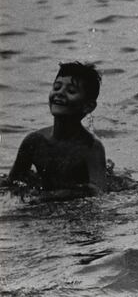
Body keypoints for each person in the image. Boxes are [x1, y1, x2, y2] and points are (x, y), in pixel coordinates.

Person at [3, 62, 106, 200]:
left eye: (71, 91)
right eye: (56, 87)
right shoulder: (34, 141)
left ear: (88, 106)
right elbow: (12, 182)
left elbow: (98, 191)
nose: (60, 93)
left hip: (75, 210)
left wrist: (52, 196)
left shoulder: (91, 147)